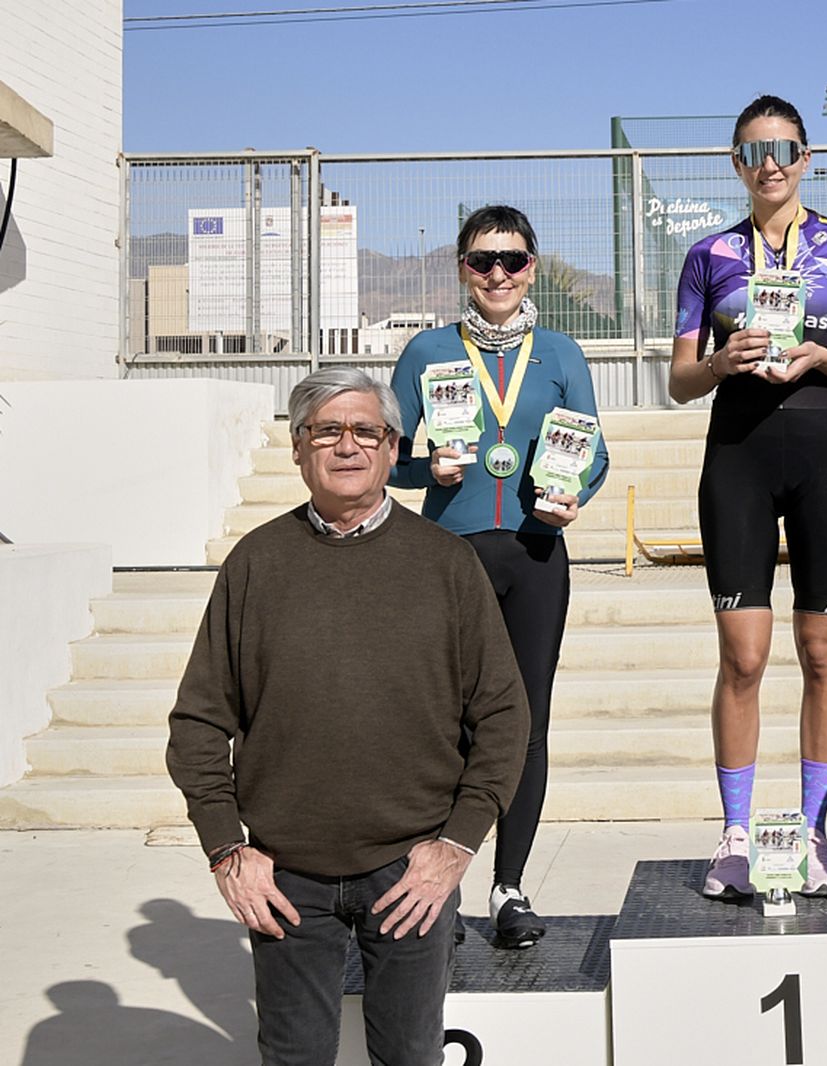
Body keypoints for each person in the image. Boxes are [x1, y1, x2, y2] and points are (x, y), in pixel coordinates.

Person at [167, 368, 530, 1064]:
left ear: (395, 449)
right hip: (284, 879)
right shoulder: (255, 565)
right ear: (298, 449)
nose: (347, 446)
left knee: (409, 1056)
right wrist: (225, 847)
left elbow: (504, 715)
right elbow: (198, 723)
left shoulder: (447, 565)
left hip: (409, 874)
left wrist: (455, 845)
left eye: (367, 430)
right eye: (325, 430)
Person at [668, 94, 827, 899]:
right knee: (745, 656)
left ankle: (813, 830)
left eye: (784, 148)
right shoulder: (707, 255)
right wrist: (725, 361)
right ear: (736, 162)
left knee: (823, 653)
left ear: (807, 159)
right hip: (738, 460)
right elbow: (679, 380)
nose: (770, 163)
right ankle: (735, 834)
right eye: (754, 150)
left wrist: (818, 357)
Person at [390, 205, 608, 948]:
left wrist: (576, 493)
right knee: (447, 724)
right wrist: (428, 467)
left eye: (511, 260)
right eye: (483, 261)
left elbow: (595, 452)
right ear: (461, 270)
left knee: (527, 727)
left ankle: (509, 888)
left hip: (538, 552)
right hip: (450, 553)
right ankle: (434, 888)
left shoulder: (561, 354)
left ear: (533, 268)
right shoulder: (425, 352)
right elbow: (388, 457)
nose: (498, 275)